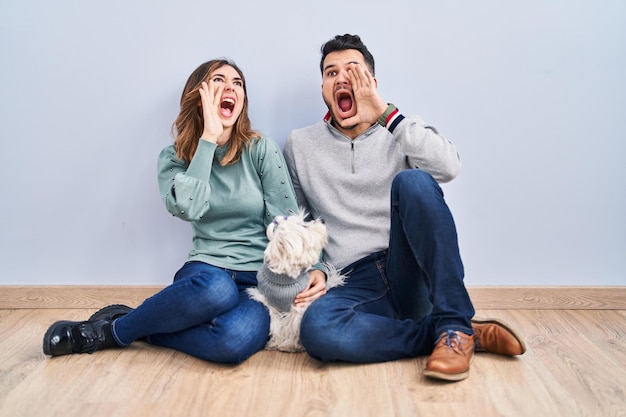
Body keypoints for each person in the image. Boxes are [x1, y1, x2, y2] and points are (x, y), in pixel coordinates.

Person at [42, 58, 326, 363]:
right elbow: (190, 207)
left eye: (237, 83)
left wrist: (317, 267)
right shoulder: (173, 158)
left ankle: (143, 326)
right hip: (206, 272)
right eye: (219, 80)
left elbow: (287, 221)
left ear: (242, 100)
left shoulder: (260, 149)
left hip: (256, 279)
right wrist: (208, 140)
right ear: (199, 95)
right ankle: (107, 333)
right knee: (218, 291)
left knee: (233, 343)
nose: (230, 86)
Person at [283, 34, 526, 381]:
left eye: (352, 70)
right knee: (318, 332)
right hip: (353, 279)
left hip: (408, 269)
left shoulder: (401, 129)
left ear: (371, 83)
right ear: (323, 86)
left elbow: (448, 167)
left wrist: (386, 114)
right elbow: (300, 220)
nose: (341, 79)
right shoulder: (300, 144)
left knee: (413, 182)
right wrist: (318, 267)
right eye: (330, 72)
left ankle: (454, 324)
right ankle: (448, 333)